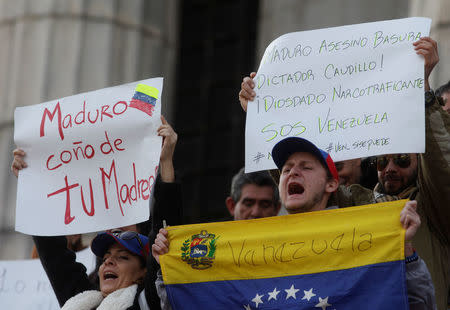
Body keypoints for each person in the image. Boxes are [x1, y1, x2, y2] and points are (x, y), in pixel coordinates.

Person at [238, 37, 449, 309]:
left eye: (401, 159)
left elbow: (443, 170)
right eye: (382, 161)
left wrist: (423, 88)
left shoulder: (434, 209)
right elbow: (307, 186)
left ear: (420, 162)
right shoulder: (357, 204)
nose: (391, 168)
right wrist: (260, 115)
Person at [153, 137, 436, 309]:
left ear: (331, 184)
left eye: (305, 167)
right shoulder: (251, 243)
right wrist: (169, 271)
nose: (292, 173)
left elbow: (417, 305)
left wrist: (407, 252)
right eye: (286, 169)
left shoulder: (364, 237)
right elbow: (198, 304)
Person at [12, 116, 183, 310]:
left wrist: (166, 162)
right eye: (106, 257)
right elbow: (54, 255)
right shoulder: (80, 301)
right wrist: (31, 181)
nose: (109, 260)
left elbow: (164, 231)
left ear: (142, 272)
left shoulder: (147, 301)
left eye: (123, 257)